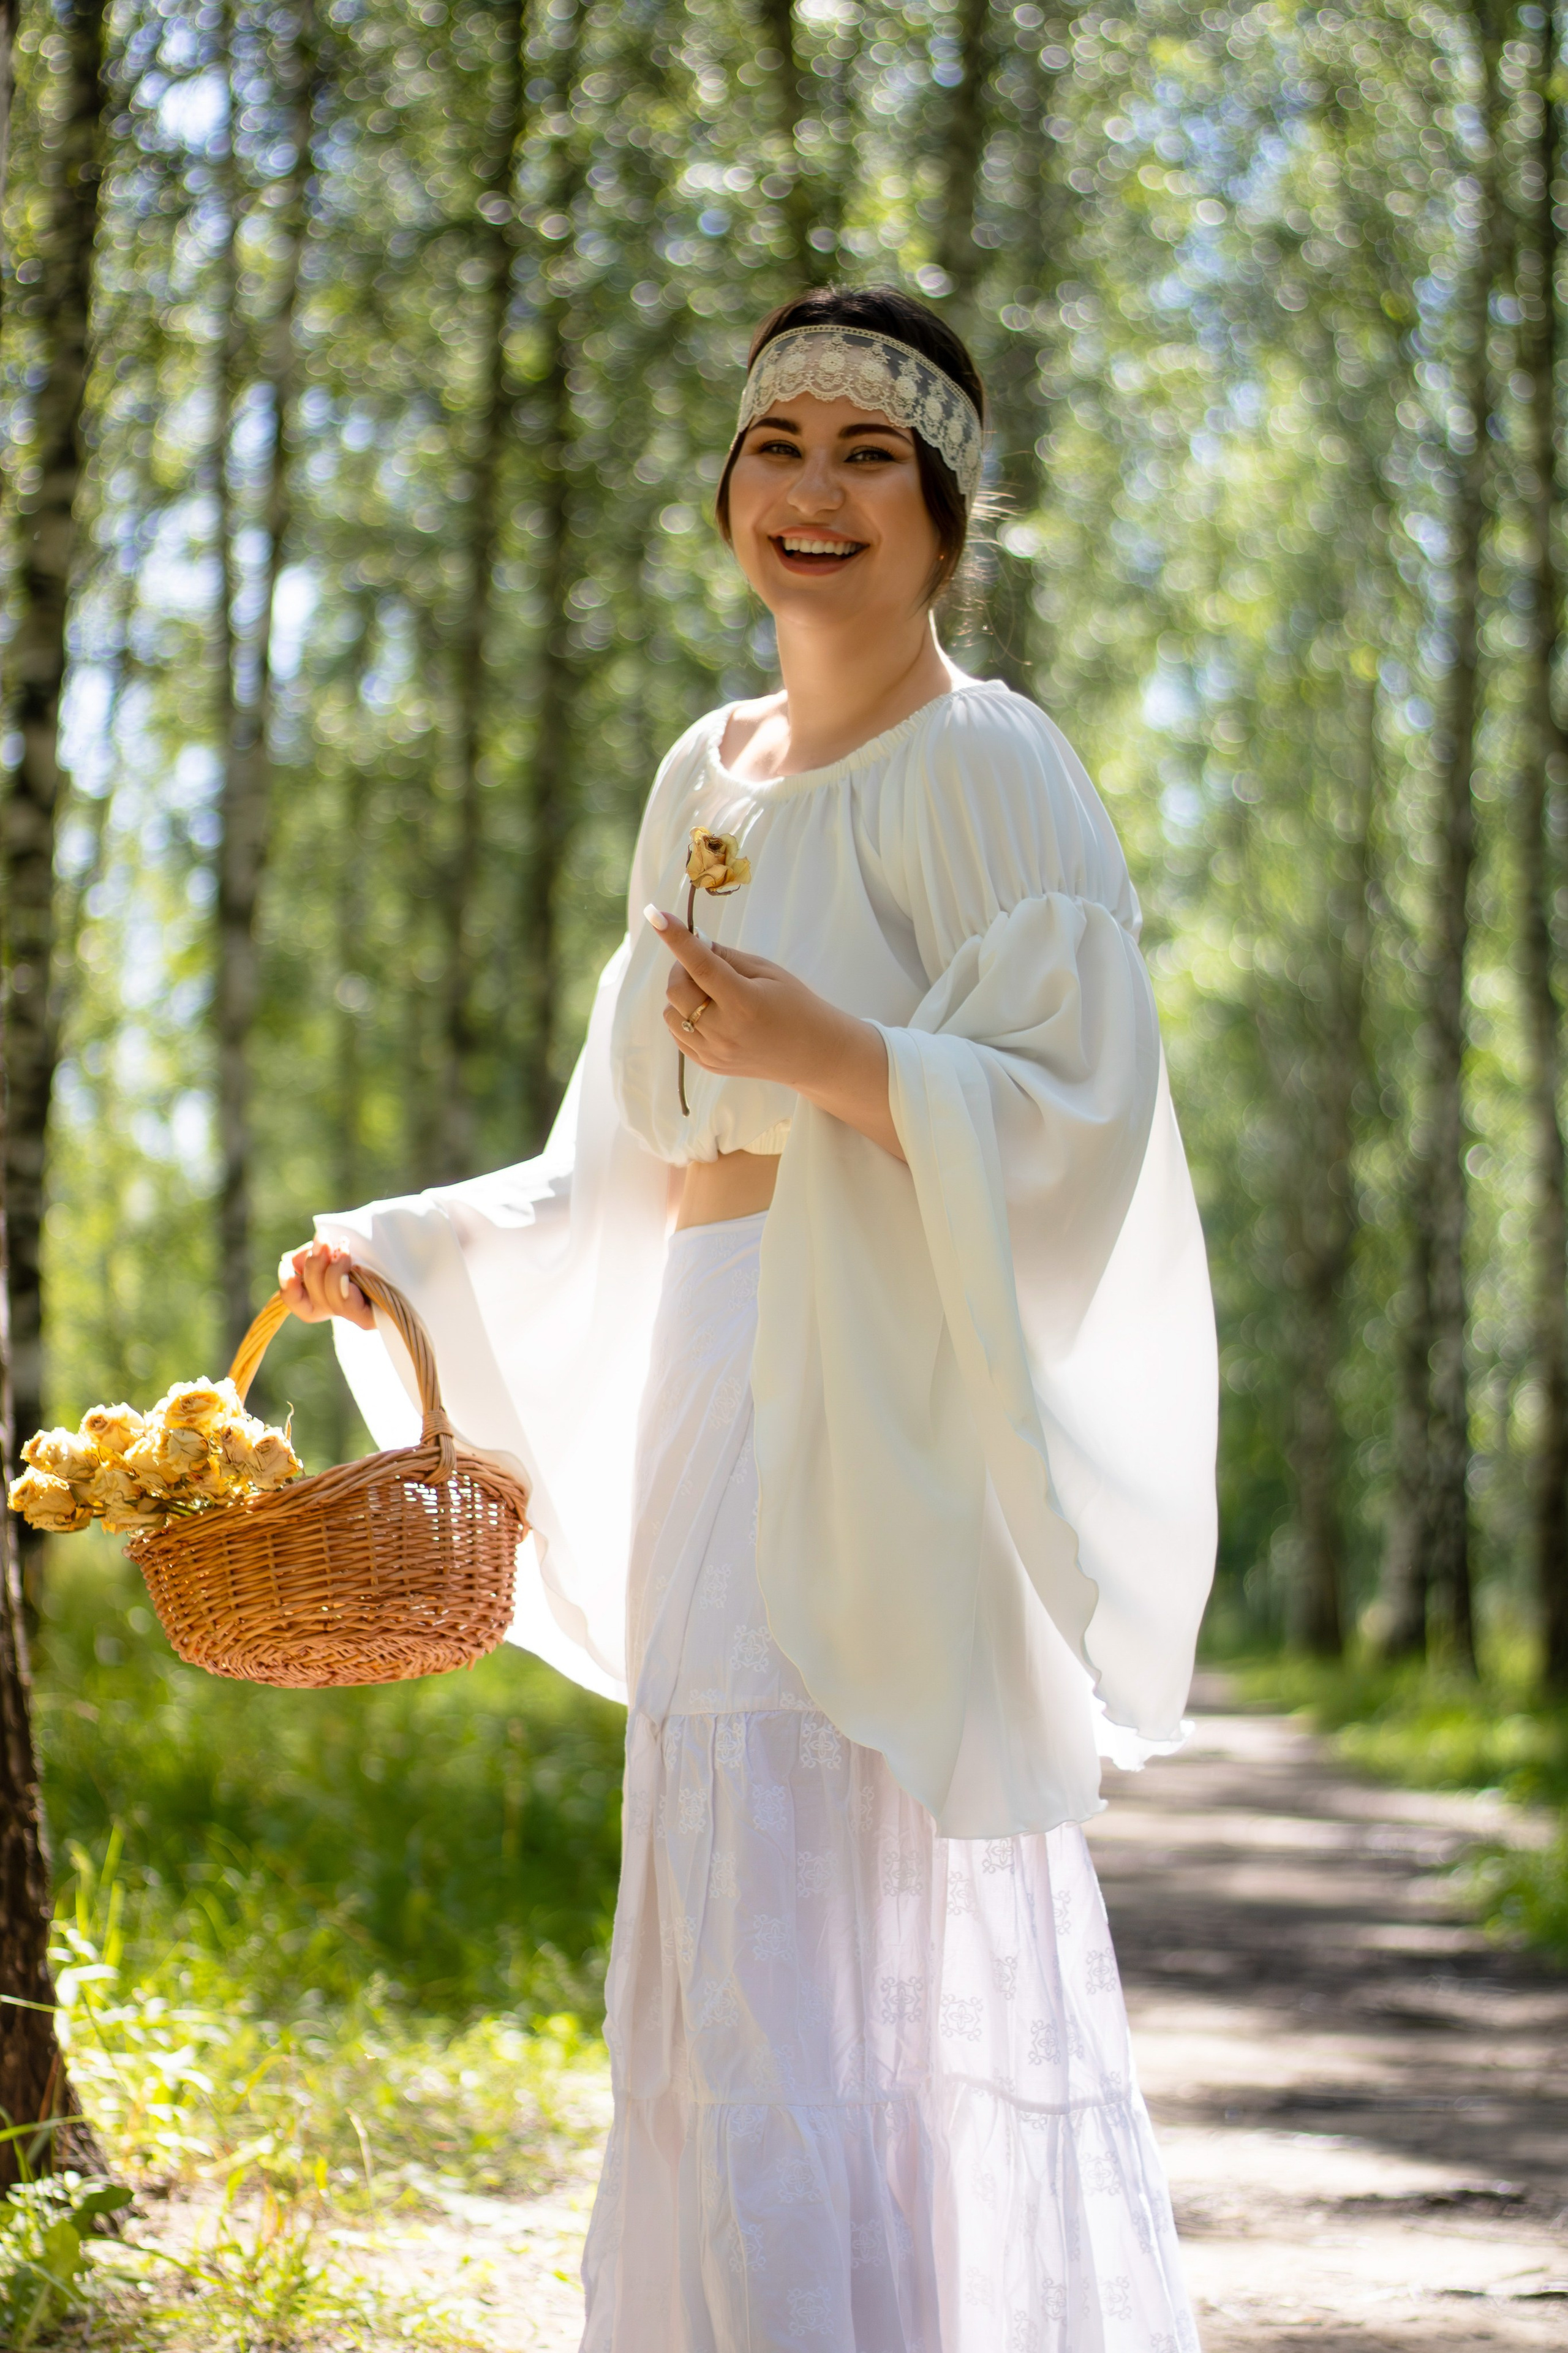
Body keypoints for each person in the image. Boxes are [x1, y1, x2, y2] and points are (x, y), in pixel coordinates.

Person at [282, 283, 1215, 2353]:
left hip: (878, 1387)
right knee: (725, 1935)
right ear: (728, 487)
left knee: (850, 1936)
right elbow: (611, 1151)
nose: (812, 495)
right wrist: (403, 1250)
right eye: (775, 447)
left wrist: (840, 1052)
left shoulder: (990, 763)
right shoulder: (704, 775)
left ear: (947, 514)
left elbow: (1082, 1115)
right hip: (714, 1365)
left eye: (867, 455)